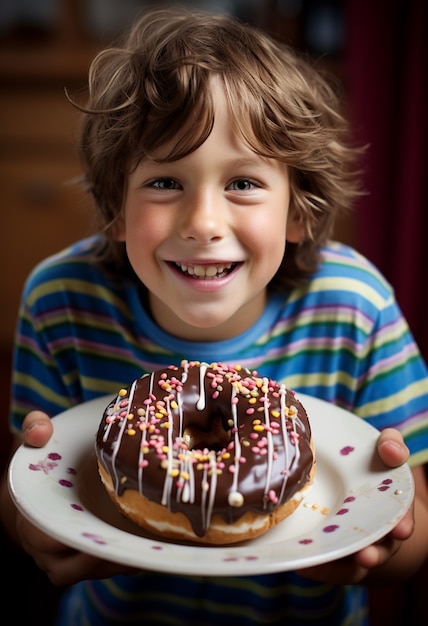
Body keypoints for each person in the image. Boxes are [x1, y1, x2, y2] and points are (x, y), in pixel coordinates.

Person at [1, 7, 428, 626]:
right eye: (166, 182)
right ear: (116, 210)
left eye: (244, 183)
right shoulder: (65, 302)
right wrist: (32, 525)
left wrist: (378, 551)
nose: (203, 222)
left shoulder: (354, 310)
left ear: (298, 211)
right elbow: (21, 489)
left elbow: (415, 534)